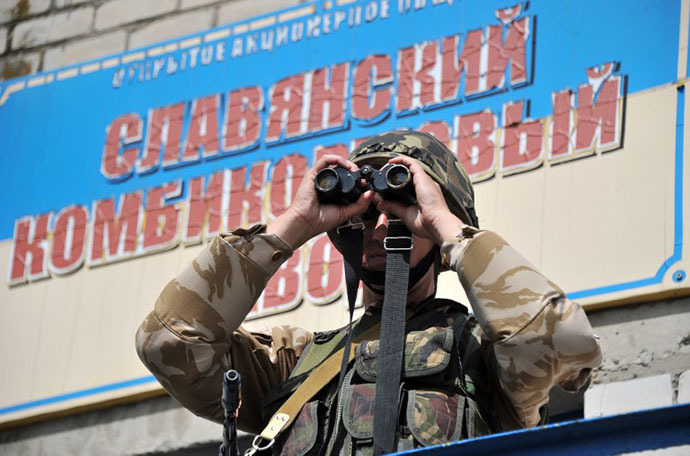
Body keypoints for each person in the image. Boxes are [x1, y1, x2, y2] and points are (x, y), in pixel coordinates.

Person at [136, 130, 602, 455]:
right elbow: (171, 343)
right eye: (366, 212)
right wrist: (291, 227)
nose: (380, 227)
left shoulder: (484, 352)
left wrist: (446, 227)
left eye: (401, 208)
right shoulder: (293, 361)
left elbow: (558, 339)